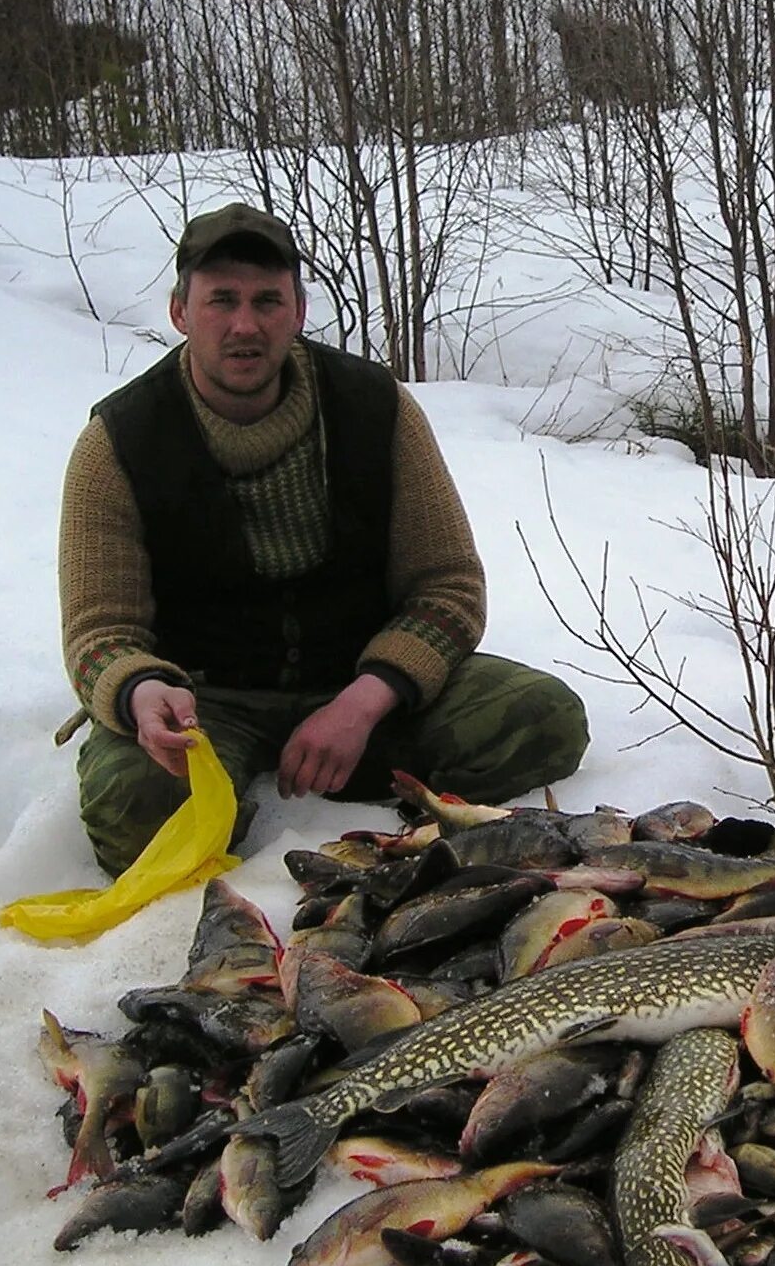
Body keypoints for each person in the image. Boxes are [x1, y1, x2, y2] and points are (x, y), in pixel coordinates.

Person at [58, 202, 589, 875]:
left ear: (299, 312)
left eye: (267, 301)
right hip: (207, 701)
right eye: (220, 300)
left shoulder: (375, 406)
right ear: (180, 313)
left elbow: (448, 586)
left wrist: (364, 702)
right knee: (134, 810)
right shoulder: (118, 441)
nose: (245, 325)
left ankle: (371, 794)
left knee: (542, 720)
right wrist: (138, 692)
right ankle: (243, 797)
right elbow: (97, 632)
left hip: (359, 682)